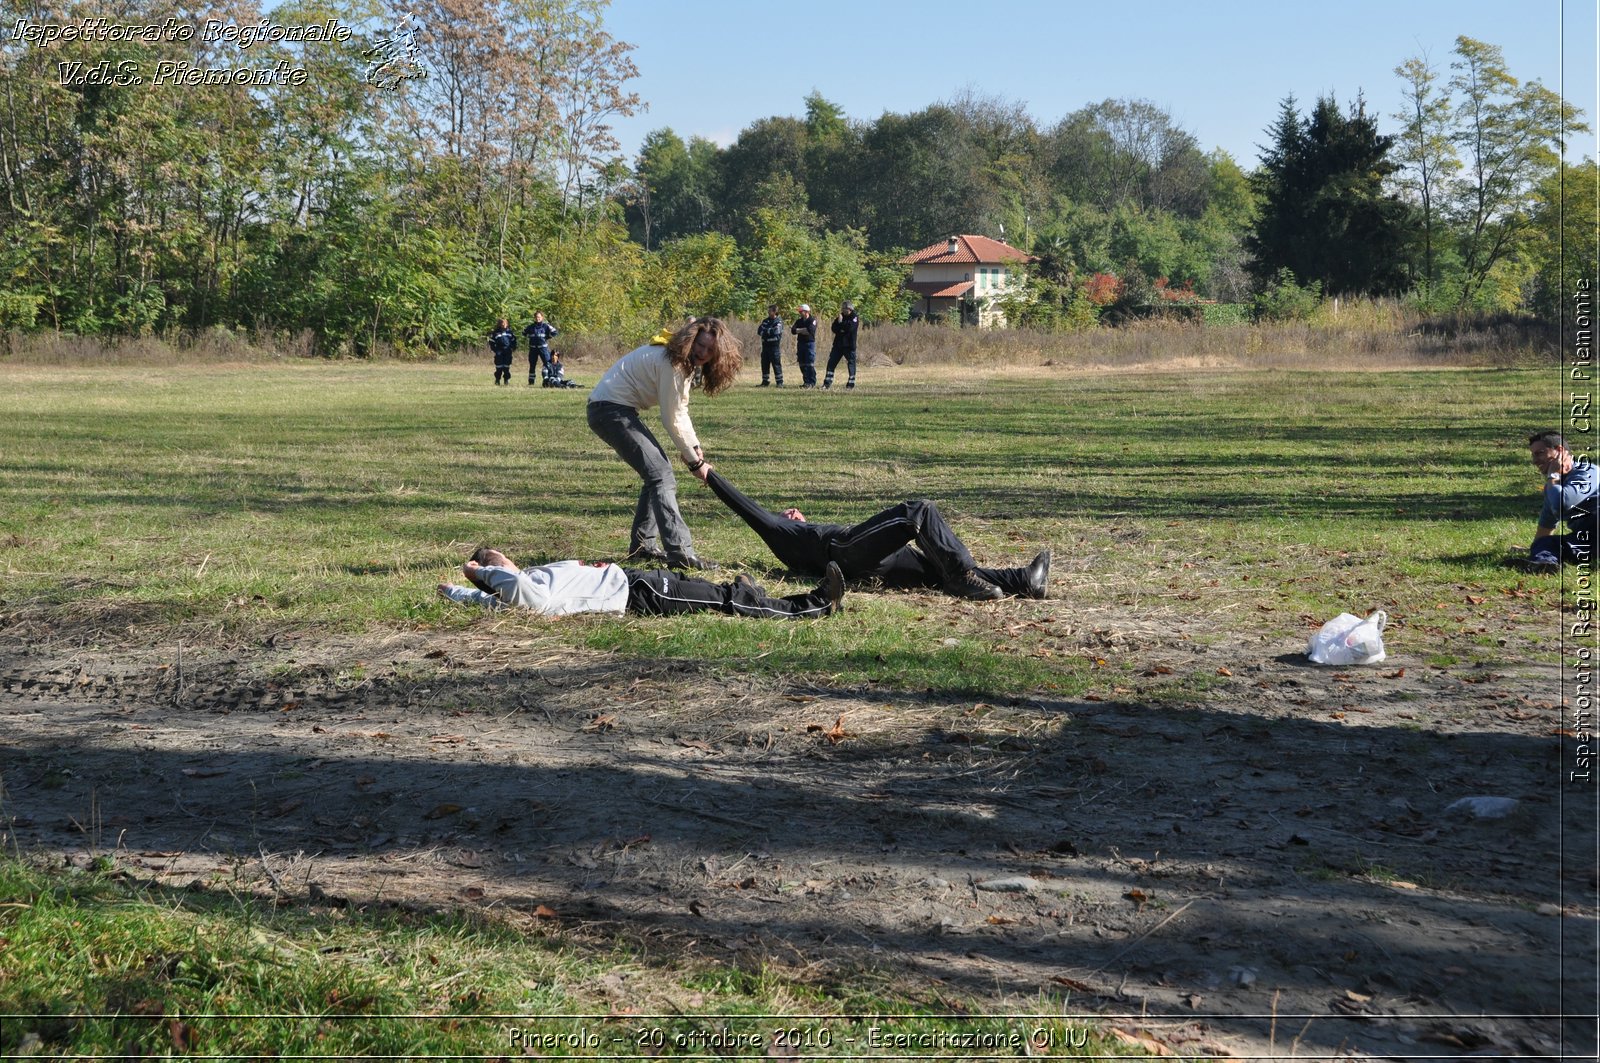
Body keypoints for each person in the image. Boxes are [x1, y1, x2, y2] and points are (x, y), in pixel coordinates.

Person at [702, 468, 1050, 601]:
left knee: (940, 571)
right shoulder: (788, 534)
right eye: (786, 512)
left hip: (886, 563)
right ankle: (962, 577)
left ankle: (1022, 580)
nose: (791, 511)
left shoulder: (797, 526)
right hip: (846, 552)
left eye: (793, 510)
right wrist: (708, 473)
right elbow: (747, 508)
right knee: (919, 511)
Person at [586, 317, 742, 570]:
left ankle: (643, 548)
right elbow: (671, 419)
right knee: (661, 475)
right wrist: (695, 463)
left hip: (613, 410)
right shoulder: (674, 364)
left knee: (658, 472)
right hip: (609, 412)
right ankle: (680, 553)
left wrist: (694, 446)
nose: (703, 352)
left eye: (710, 350)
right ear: (691, 340)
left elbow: (681, 409)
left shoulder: (683, 363)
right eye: (700, 345)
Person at [438, 547, 844, 620]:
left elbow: (470, 598)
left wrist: (453, 589)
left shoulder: (524, 579)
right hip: (639, 596)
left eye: (500, 557)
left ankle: (752, 593)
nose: (505, 561)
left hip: (638, 580)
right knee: (723, 600)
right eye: (498, 563)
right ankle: (814, 605)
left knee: (712, 589)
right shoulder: (524, 593)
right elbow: (523, 597)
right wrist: (480, 573)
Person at [1528, 431, 1596, 567]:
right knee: (1545, 544)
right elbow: (1546, 525)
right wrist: (1536, 549)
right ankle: (1543, 564)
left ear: (1559, 451)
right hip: (1591, 539)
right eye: (1533, 455)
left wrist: (1553, 475)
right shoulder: (1553, 485)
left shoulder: (1587, 472)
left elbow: (1563, 503)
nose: (1534, 461)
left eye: (1539, 453)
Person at [824, 300, 860, 390]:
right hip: (838, 345)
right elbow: (834, 328)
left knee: (851, 364)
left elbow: (851, 328)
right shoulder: (840, 316)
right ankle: (827, 384)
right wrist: (842, 328)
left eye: (845, 308)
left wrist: (841, 324)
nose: (843, 310)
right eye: (843, 308)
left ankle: (850, 385)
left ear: (850, 309)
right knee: (831, 363)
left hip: (849, 346)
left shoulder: (854, 317)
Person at [523, 311, 559, 385]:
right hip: (533, 349)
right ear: (534, 318)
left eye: (539, 317)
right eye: (536, 317)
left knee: (547, 364)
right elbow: (523, 332)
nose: (537, 318)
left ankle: (549, 381)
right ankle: (531, 382)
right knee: (532, 365)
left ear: (542, 317)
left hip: (543, 349)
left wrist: (548, 336)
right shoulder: (530, 326)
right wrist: (528, 336)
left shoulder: (546, 326)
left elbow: (555, 332)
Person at [790, 304, 819, 388]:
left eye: (801, 311)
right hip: (800, 344)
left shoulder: (812, 320)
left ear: (806, 312)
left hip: (809, 344)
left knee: (809, 363)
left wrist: (799, 330)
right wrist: (803, 330)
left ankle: (812, 382)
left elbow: (810, 330)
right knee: (802, 363)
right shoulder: (799, 321)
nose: (800, 313)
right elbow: (793, 330)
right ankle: (806, 382)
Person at [756, 304, 785, 387]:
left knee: (776, 364)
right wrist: (769, 331)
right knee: (764, 364)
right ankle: (765, 381)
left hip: (774, 347)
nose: (768, 312)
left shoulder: (778, 322)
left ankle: (779, 382)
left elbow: (776, 331)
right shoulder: (765, 321)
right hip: (765, 347)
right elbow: (759, 331)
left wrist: (766, 331)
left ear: (774, 312)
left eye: (770, 310)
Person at [488, 318, 516, 386]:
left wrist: (513, 348)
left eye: (505, 323)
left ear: (507, 324)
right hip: (499, 351)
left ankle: (506, 380)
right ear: (499, 324)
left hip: (507, 351)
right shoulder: (495, 332)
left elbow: (514, 341)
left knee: (506, 367)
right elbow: (491, 342)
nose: (504, 325)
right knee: (499, 367)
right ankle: (497, 379)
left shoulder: (510, 332)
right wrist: (495, 350)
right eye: (502, 323)